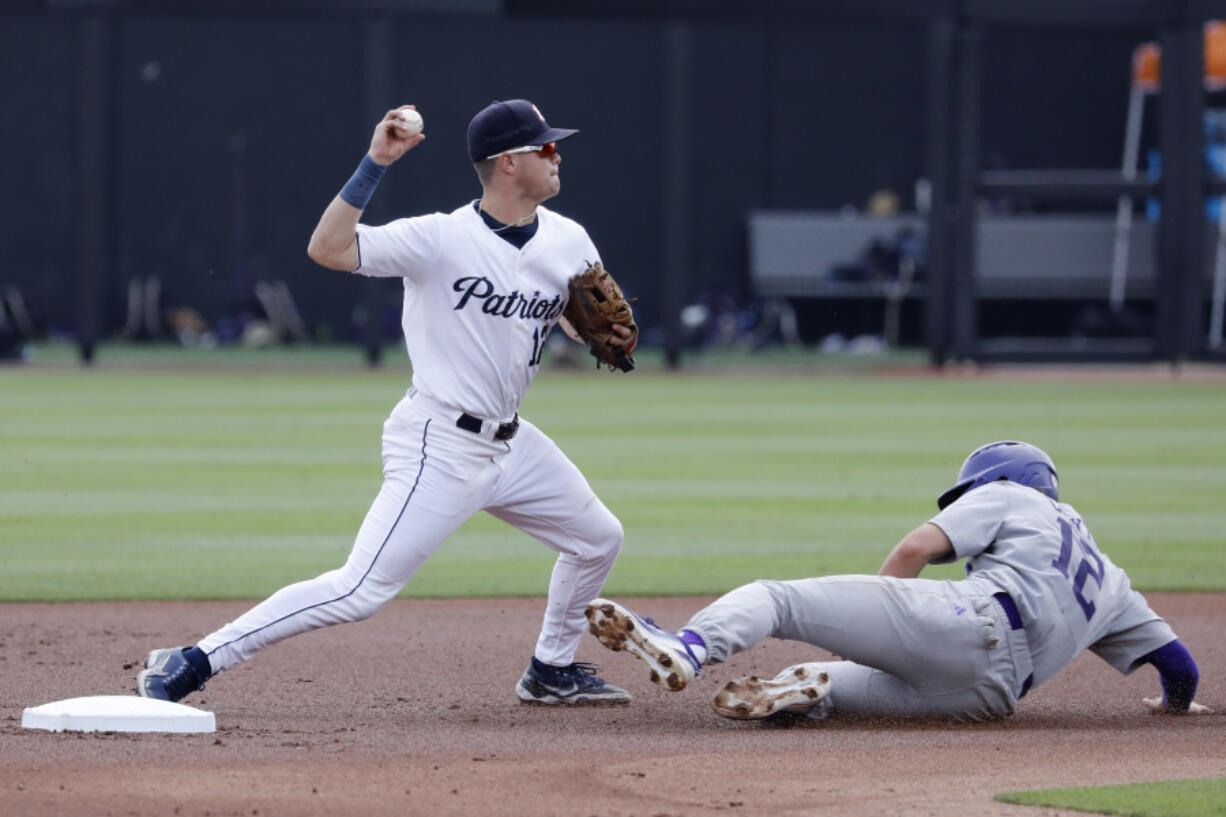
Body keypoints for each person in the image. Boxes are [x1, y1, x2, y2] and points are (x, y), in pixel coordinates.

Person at [136, 99, 635, 707]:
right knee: (360, 590)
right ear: (507, 163)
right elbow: (328, 248)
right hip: (440, 443)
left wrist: (596, 335)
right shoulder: (438, 239)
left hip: (512, 444)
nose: (558, 156)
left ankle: (550, 670)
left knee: (597, 538)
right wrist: (375, 163)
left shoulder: (569, 238)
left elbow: (581, 321)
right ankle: (194, 660)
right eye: (545, 148)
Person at [586, 441, 1211, 721]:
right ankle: (799, 691)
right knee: (825, 684)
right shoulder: (1113, 581)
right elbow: (1181, 670)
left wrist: (865, 626)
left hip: (969, 623)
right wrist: (1174, 707)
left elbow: (917, 547)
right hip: (989, 699)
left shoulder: (1011, 495)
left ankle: (687, 648)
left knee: (777, 598)